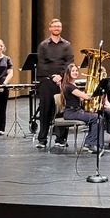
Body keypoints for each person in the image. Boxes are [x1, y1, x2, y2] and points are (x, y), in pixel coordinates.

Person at [35, 19, 74, 150]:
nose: (57, 28)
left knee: (62, 110)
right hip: (47, 81)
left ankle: (61, 139)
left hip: (62, 82)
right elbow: (42, 64)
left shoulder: (67, 45)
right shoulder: (43, 45)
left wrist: (61, 76)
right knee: (45, 111)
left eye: (59, 26)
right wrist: (53, 76)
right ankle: (42, 139)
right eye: (54, 26)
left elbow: (69, 63)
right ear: (50, 28)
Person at [60, 64, 104, 153]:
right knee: (97, 118)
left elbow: (82, 97)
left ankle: (89, 143)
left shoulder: (72, 85)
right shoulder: (69, 86)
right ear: (68, 72)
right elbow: (84, 97)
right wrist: (97, 92)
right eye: (73, 71)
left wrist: (94, 93)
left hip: (75, 111)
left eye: (76, 71)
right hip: (71, 113)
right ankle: (90, 143)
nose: (75, 72)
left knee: (97, 117)